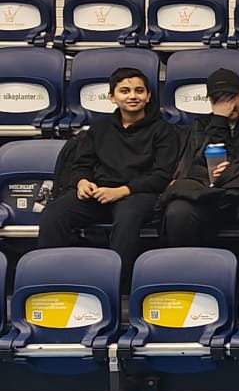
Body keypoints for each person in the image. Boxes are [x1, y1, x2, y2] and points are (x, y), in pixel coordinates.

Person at [38, 65, 180, 275]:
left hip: (139, 195)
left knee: (127, 218)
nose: (133, 96)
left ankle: (117, 281)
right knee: (54, 212)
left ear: (148, 96)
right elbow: (81, 165)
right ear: (112, 97)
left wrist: (121, 191)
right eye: (125, 91)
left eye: (139, 91)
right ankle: (49, 276)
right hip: (99, 192)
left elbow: (162, 176)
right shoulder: (99, 128)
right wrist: (82, 182)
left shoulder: (164, 131)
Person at [162, 67, 239, 251]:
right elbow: (196, 160)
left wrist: (235, 172)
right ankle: (186, 265)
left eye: (231, 97)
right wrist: (219, 120)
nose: (226, 105)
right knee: (178, 211)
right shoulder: (201, 124)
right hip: (207, 192)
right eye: (218, 100)